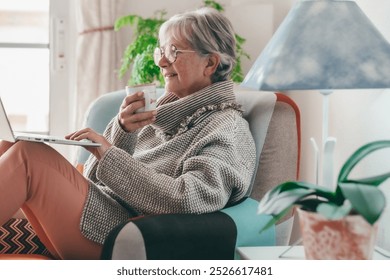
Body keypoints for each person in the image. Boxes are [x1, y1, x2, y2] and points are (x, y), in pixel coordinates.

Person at [0, 7, 256, 259]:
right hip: (100, 215)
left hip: (123, 234)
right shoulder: (157, 116)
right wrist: (122, 130)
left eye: (173, 51)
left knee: (28, 157)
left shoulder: (226, 127)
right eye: (162, 51)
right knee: (7, 147)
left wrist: (109, 153)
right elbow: (93, 180)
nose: (162, 62)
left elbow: (188, 200)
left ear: (210, 63)